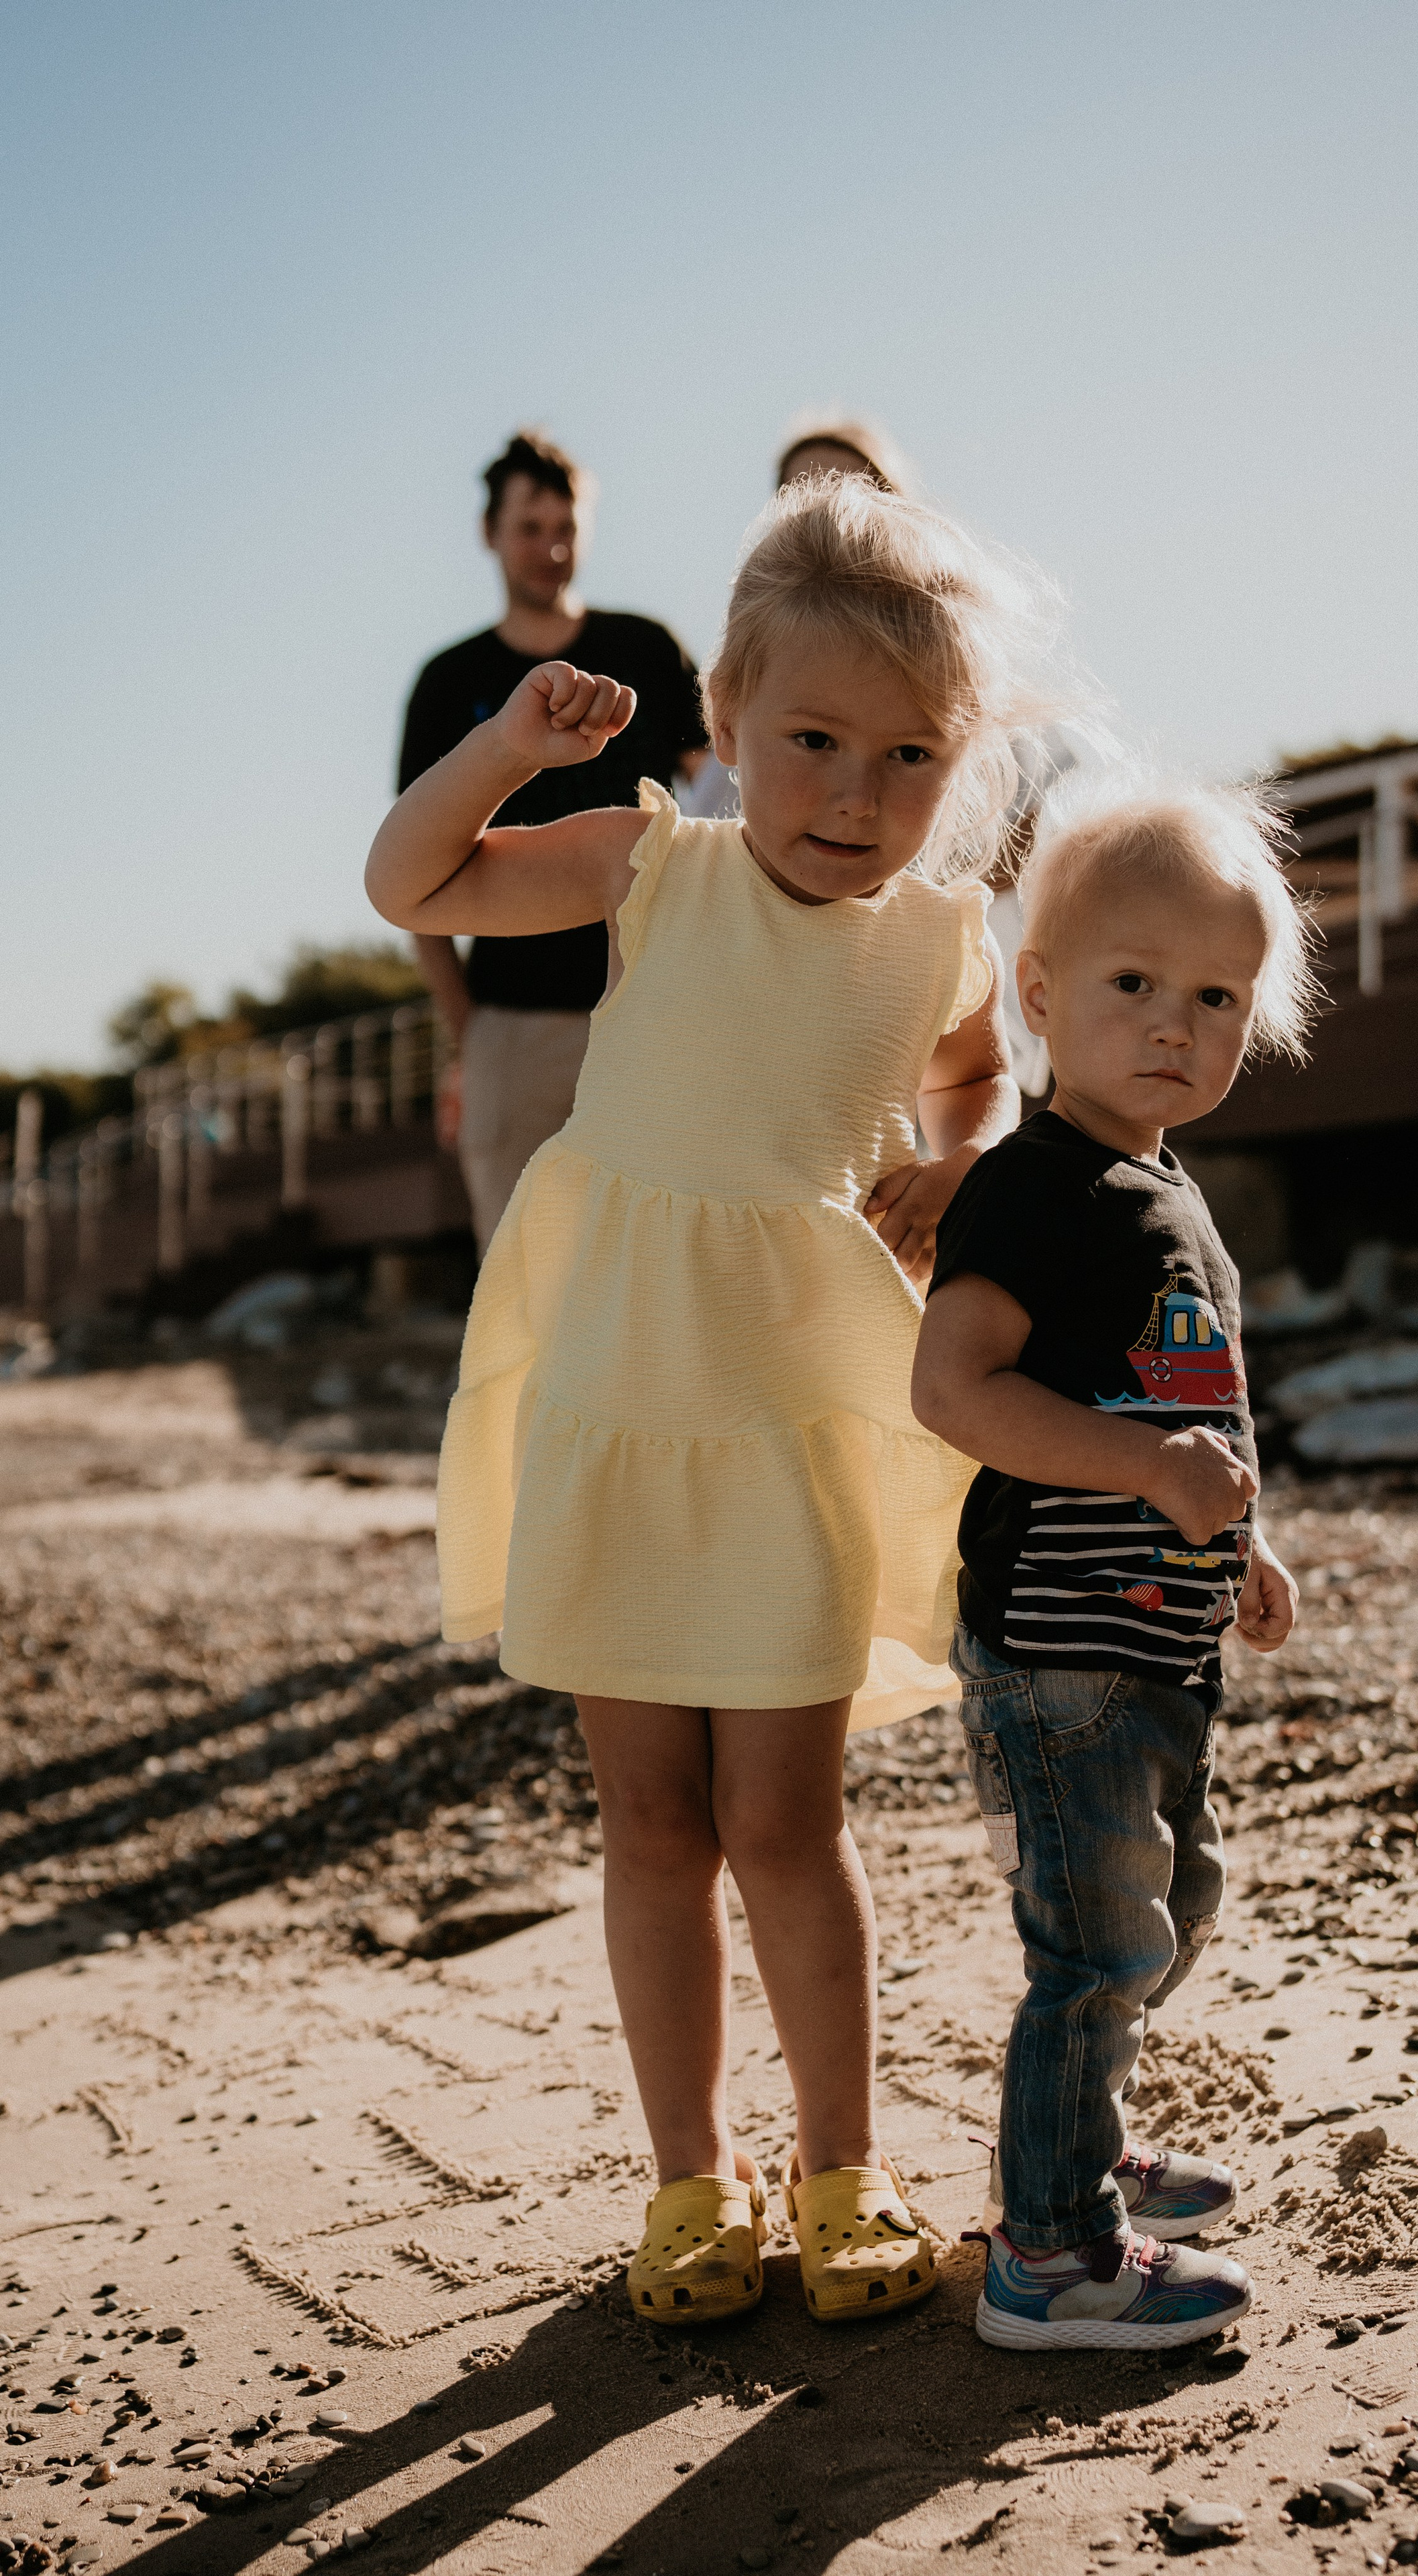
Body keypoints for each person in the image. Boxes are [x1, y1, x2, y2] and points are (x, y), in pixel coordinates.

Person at [366, 475, 1075, 2331]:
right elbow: (408, 882)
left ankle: (844, 2168)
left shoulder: (937, 936)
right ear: (727, 729)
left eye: (909, 757)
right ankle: (693, 2185)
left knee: (788, 1814)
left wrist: (954, 1164)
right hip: (619, 1387)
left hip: (790, 1411)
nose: (854, 795)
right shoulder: (648, 863)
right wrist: (510, 746)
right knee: (651, 1821)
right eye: (813, 743)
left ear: (963, 764)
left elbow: (981, 1087)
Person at [911, 779, 1315, 2351]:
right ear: (1035, 993)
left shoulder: (1169, 1196)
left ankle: (1078, 2143)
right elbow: (955, 1390)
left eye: (1213, 995)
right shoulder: (1032, 1184)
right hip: (1056, 1646)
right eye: (1132, 984)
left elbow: (1182, 1405)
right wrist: (1153, 1470)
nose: (1173, 1023)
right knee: (1095, 1940)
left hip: (1153, 1637)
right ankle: (1048, 2253)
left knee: (1168, 1902)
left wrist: (1241, 1533)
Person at [398, 429, 707, 1248]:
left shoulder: (646, 648)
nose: (551, 547)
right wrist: (472, 1035)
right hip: (513, 1025)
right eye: (529, 527)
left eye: (566, 525)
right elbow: (413, 875)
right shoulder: (448, 682)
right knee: (523, 1281)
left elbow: (727, 788)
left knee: (662, 1268)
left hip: (655, 1011)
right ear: (489, 533)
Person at [680, 414, 914, 823]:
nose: (821, 511)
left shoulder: (948, 652)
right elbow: (706, 832)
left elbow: (1041, 804)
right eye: (798, 496)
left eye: (845, 491)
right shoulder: (761, 672)